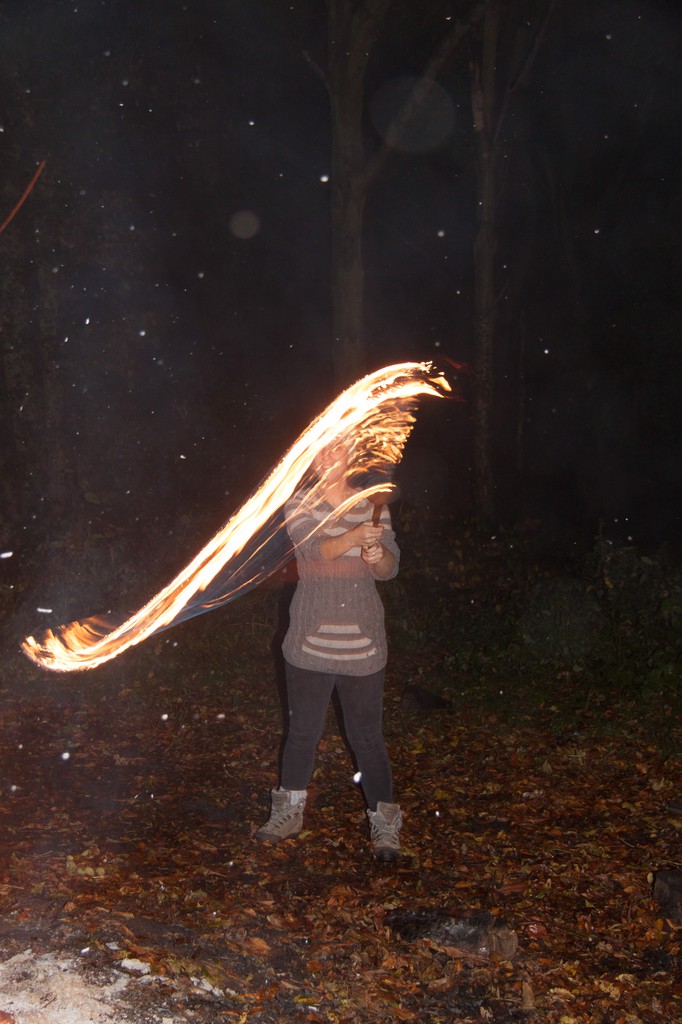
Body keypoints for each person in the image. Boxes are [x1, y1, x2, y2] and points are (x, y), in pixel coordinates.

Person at [255, 440, 403, 861]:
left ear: (350, 455)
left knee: (367, 737)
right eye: (320, 451)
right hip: (310, 644)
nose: (326, 457)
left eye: (335, 449)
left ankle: (385, 824)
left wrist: (376, 554)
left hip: (363, 645)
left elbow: (390, 568)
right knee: (302, 733)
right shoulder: (300, 503)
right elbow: (312, 549)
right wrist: (354, 537)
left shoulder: (373, 506)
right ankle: (288, 814)